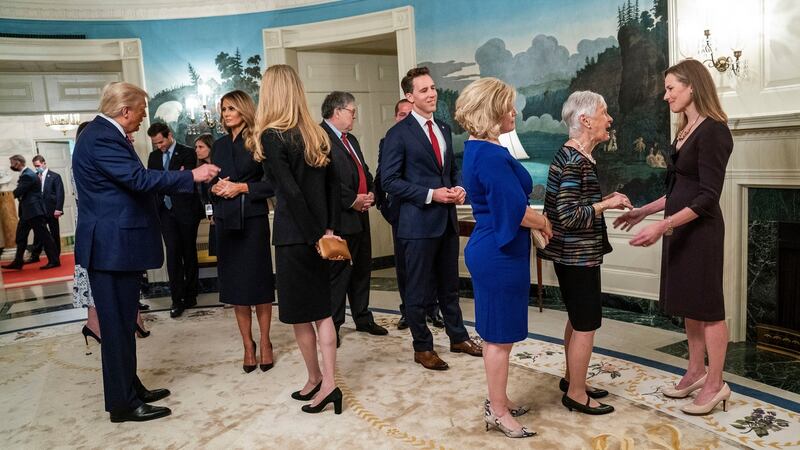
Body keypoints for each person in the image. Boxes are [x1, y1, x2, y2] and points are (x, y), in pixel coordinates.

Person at [72, 81, 219, 423]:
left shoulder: (102, 135)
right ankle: (123, 404)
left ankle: (130, 388)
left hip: (115, 246)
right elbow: (137, 180)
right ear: (125, 111)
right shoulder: (102, 137)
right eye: (140, 111)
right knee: (117, 326)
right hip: (110, 248)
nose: (142, 118)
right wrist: (191, 176)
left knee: (123, 324)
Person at [614, 58, 734, 416]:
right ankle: (696, 370)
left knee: (709, 307)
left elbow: (707, 197)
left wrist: (663, 226)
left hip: (701, 231)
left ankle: (716, 383)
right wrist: (644, 212)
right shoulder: (685, 129)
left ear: (692, 86)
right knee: (690, 306)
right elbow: (679, 191)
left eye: (671, 88)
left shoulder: (714, 130)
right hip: (680, 228)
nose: (665, 95)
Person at [457, 77, 552, 438]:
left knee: (500, 335)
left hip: (497, 247)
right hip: (498, 252)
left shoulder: (480, 148)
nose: (514, 111)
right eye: (509, 105)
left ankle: (500, 399)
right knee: (497, 338)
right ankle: (497, 411)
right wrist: (544, 221)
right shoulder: (492, 154)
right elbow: (513, 210)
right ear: (492, 110)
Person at [253, 64, 342, 414]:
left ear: (270, 93)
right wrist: (329, 231)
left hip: (295, 238)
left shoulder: (272, 136)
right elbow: (335, 188)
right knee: (323, 313)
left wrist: (310, 237)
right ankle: (322, 382)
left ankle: (321, 380)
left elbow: (289, 193)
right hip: (322, 235)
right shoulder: (318, 134)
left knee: (302, 316)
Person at [381, 66, 483, 370]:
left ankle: (457, 336)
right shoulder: (397, 134)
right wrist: (431, 194)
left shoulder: (443, 127)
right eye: (424, 90)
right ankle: (422, 347)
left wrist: (459, 187)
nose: (432, 94)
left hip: (446, 221)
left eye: (433, 88)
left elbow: (451, 168)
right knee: (417, 289)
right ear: (410, 96)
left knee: (450, 286)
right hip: (416, 224)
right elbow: (389, 181)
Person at [538, 90, 632, 416]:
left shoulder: (574, 156)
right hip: (576, 257)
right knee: (587, 324)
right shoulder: (575, 160)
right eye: (605, 113)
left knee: (578, 320)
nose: (609, 119)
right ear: (585, 120)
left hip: (574, 257)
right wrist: (607, 203)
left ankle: (571, 378)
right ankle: (577, 394)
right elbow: (567, 215)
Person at [210, 90, 276, 373]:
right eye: (223, 109)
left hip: (253, 219)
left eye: (232, 108)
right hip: (226, 220)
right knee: (237, 288)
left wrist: (241, 187)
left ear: (244, 110)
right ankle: (247, 344)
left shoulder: (260, 140)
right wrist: (214, 188)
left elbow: (273, 184)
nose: (226, 113)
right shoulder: (220, 145)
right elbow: (210, 180)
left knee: (259, 285)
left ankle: (265, 341)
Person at [71, 122, 149, 346]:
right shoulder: (91, 160)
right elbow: (134, 183)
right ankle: (100, 325)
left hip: (97, 229)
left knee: (112, 291)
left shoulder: (87, 157)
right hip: (102, 231)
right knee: (106, 291)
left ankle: (109, 325)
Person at [320, 91, 388, 346]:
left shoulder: (351, 140)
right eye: (352, 112)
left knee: (361, 269)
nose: (354, 117)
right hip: (339, 219)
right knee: (338, 275)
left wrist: (370, 192)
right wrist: (352, 200)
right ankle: (333, 325)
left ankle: (362, 316)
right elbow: (327, 182)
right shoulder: (320, 138)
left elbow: (364, 171)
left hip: (360, 217)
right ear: (337, 112)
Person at [375, 98, 445, 331]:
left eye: (409, 113)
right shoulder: (389, 140)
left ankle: (432, 309)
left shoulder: (433, 134)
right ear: (396, 117)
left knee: (433, 264)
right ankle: (408, 311)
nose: (405, 118)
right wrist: (384, 208)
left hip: (431, 210)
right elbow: (382, 178)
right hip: (402, 214)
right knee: (405, 266)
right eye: (401, 114)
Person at [146, 122, 203, 318]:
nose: (159, 146)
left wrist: (168, 179)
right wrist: (175, 176)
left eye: (161, 141)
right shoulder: (153, 157)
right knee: (172, 254)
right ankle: (176, 298)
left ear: (169, 135)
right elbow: (152, 183)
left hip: (187, 210)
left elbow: (186, 182)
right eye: (155, 144)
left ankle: (191, 294)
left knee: (189, 252)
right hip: (164, 211)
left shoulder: (187, 152)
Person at [1, 155, 60, 270]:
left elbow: (18, 192)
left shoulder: (28, 175)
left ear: (18, 163)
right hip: (27, 212)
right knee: (20, 237)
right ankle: (18, 262)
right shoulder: (26, 174)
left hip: (34, 211)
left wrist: (7, 195)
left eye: (12, 163)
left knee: (45, 237)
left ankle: (54, 261)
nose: (11, 165)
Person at [28, 155, 65, 264]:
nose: (37, 168)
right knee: (38, 233)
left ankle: (56, 255)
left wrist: (58, 209)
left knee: (54, 233)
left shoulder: (55, 176)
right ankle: (35, 255)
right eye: (35, 166)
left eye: (38, 165)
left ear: (44, 163)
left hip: (52, 209)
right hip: (39, 210)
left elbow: (60, 194)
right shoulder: (34, 177)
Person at [194, 133, 216, 257]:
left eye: (201, 147)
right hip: (213, 217)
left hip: (225, 214)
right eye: (196, 147)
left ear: (211, 147)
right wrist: (210, 215)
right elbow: (204, 198)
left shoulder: (221, 166)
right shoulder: (201, 169)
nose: (197, 150)